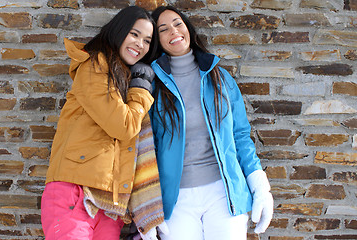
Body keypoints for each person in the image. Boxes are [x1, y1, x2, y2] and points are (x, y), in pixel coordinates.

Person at [40, 6, 166, 240]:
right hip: (75, 194)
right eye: (134, 34)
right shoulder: (93, 67)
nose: (140, 44)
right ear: (119, 31)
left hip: (110, 204)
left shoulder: (125, 79)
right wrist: (140, 91)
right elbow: (124, 126)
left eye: (147, 40)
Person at [148, 6, 274, 240]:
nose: (173, 31)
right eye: (162, 29)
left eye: (177, 23)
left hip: (223, 194)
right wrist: (146, 207)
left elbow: (240, 136)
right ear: (157, 40)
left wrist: (260, 188)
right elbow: (146, 149)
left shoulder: (220, 78)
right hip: (176, 201)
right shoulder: (153, 88)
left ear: (188, 28)